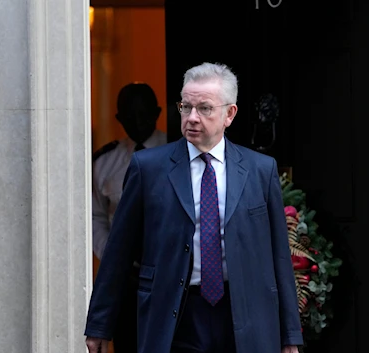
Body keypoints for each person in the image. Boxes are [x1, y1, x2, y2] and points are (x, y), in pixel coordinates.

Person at [85, 62, 302, 353]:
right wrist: (100, 325)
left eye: (205, 108)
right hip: (176, 312)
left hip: (243, 314)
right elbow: (119, 252)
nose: (192, 118)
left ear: (230, 114)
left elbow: (279, 256)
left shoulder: (260, 170)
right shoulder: (148, 168)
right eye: (186, 107)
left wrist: (290, 335)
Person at [92, 82, 166, 260]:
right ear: (119, 119)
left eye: (144, 115)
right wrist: (111, 256)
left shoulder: (178, 151)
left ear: (156, 113)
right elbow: (96, 216)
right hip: (124, 271)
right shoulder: (105, 161)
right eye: (129, 116)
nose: (138, 122)